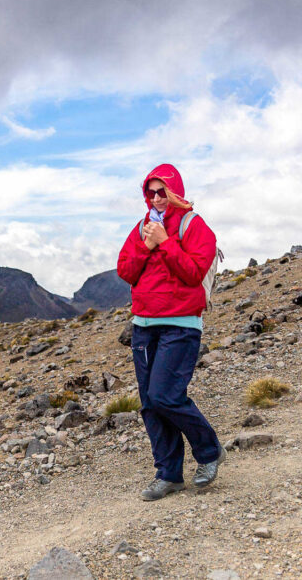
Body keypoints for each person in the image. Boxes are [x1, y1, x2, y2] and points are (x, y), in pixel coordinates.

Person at [116, 163, 225, 501]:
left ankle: (209, 452)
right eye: (151, 191)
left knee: (166, 396)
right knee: (150, 403)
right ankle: (169, 475)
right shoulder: (143, 227)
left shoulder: (195, 226)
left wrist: (164, 243)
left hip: (181, 324)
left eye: (162, 190)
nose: (157, 197)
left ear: (176, 190)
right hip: (143, 325)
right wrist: (146, 246)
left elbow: (193, 273)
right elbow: (125, 270)